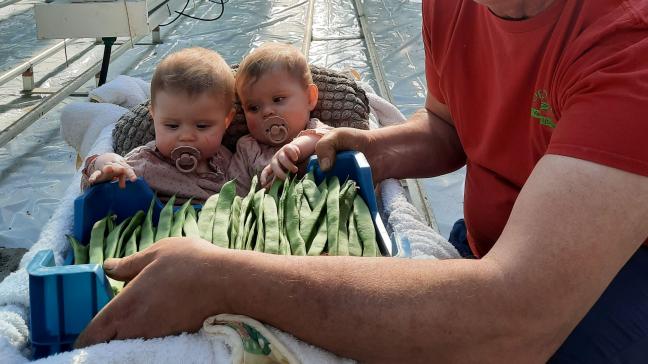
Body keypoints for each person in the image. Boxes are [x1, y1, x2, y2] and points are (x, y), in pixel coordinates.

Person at [74, 0, 648, 362]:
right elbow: (451, 128)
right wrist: (363, 144)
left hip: (607, 285)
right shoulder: (453, 9)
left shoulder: (629, 43)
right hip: (492, 250)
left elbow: (516, 320)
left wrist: (223, 279)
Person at [81, 47, 235, 204]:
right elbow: (94, 191)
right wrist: (100, 164)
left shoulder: (229, 161)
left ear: (226, 122)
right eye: (172, 126)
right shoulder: (145, 163)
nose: (186, 136)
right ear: (153, 117)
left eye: (202, 126)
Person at [227, 42, 332, 195]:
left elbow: (333, 140)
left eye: (278, 99)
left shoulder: (314, 129)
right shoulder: (247, 149)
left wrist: (296, 149)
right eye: (253, 108)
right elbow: (234, 193)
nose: (267, 112)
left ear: (310, 98)